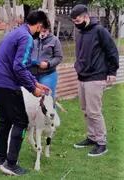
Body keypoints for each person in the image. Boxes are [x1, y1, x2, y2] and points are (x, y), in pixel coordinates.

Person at [0, 11, 50, 176]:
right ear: (39, 25)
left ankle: (0, 158)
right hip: (6, 85)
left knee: (5, 120)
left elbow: (21, 65)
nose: (40, 33)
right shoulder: (26, 37)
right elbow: (18, 67)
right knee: (21, 122)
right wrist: (32, 88)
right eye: (41, 29)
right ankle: (11, 164)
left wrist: (35, 82)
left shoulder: (16, 32)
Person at [70, 4, 119, 157]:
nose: (75, 23)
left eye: (77, 20)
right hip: (82, 77)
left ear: (85, 17)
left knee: (94, 112)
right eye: (73, 21)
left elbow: (112, 51)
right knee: (86, 110)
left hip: (96, 76)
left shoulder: (100, 31)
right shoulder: (80, 32)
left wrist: (112, 71)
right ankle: (92, 137)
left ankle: (102, 143)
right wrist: (77, 66)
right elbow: (80, 53)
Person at [30, 21, 63, 102]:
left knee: (47, 100)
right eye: (40, 31)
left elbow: (59, 57)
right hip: (32, 75)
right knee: (33, 101)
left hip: (48, 75)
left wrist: (48, 64)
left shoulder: (55, 40)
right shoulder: (31, 39)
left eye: (44, 31)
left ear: (49, 29)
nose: (42, 33)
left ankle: (51, 114)